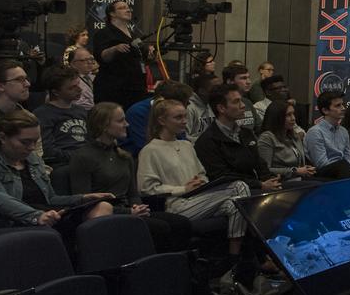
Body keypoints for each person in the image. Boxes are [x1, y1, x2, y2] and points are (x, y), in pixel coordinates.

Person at [69, 103, 193, 252]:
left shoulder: (123, 155)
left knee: (181, 223)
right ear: (103, 125)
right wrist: (129, 213)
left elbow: (132, 193)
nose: (127, 124)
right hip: (104, 213)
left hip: (129, 210)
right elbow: (83, 201)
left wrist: (137, 207)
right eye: (121, 121)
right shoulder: (83, 156)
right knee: (161, 228)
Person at [139, 99, 252, 259]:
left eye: (185, 116)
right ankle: (237, 258)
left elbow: (201, 173)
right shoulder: (150, 150)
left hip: (200, 198)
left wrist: (201, 183)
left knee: (235, 205)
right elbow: (146, 188)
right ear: (162, 121)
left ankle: (232, 258)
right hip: (177, 205)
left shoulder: (187, 146)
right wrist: (183, 189)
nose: (184, 121)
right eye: (178, 117)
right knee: (239, 187)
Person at [0, 110, 114, 231]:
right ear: (2, 138)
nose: (32, 147)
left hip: (45, 217)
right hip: (11, 223)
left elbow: (50, 199)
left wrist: (82, 198)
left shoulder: (32, 159)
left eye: (35, 141)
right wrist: (36, 216)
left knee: (102, 206)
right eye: (25, 142)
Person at [194, 84, 282, 195]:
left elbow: (259, 163)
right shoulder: (207, 141)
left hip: (259, 186)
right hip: (234, 194)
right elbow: (223, 177)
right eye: (236, 102)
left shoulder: (246, 133)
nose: (243, 106)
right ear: (221, 108)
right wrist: (260, 185)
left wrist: (271, 179)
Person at [0, 60, 41, 157]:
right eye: (19, 79)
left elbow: (37, 157)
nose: (27, 84)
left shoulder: (30, 117)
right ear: (0, 86)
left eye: (26, 79)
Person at [93, 0, 151, 108]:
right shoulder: (104, 33)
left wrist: (150, 54)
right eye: (122, 8)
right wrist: (114, 49)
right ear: (112, 13)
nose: (128, 10)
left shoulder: (134, 34)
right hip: (114, 88)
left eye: (128, 8)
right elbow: (102, 56)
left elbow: (142, 59)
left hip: (136, 87)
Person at [33, 65, 89, 167]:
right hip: (62, 164)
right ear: (56, 92)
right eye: (72, 87)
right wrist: (79, 156)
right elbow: (47, 150)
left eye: (78, 84)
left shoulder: (81, 111)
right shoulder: (43, 114)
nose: (79, 89)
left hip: (86, 161)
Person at [122, 80, 193, 157]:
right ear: (169, 103)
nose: (188, 105)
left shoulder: (176, 115)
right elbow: (143, 146)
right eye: (186, 103)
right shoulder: (137, 112)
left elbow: (181, 138)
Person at [257, 100, 316, 181]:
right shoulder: (267, 138)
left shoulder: (293, 135)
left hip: (299, 179)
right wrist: (295, 171)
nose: (293, 118)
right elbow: (265, 170)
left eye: (293, 114)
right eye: (288, 115)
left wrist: (305, 169)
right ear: (277, 117)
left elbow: (299, 164)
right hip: (281, 182)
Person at [221, 64, 261, 131]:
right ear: (230, 81)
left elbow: (259, 127)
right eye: (243, 78)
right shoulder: (222, 102)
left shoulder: (247, 102)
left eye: (249, 78)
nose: (249, 82)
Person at [186, 73, 219, 142]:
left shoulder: (212, 104)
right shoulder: (189, 108)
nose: (219, 91)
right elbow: (184, 137)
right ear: (202, 91)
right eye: (216, 88)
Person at [69, 46, 98, 110]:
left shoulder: (95, 77)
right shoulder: (69, 81)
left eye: (90, 59)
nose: (90, 62)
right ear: (73, 64)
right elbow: (77, 103)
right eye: (84, 60)